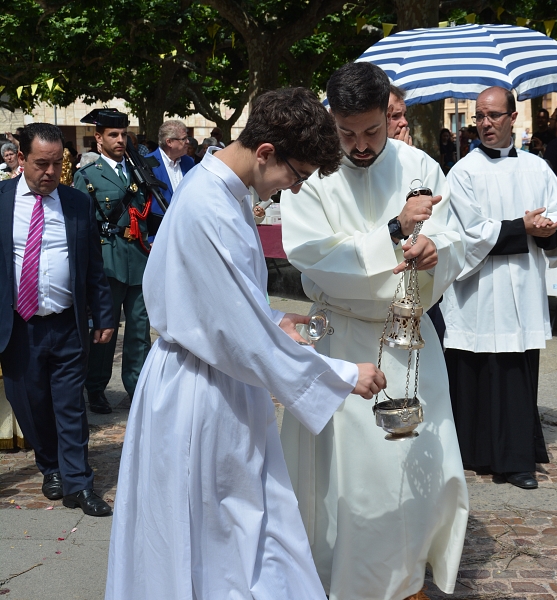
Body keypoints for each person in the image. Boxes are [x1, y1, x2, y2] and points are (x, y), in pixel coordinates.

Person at [104, 86, 386, 600]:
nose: (294, 189)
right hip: (200, 390)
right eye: (295, 175)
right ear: (265, 152)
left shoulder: (219, 191)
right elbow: (237, 334)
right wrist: (344, 375)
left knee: (246, 528)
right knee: (226, 537)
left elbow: (221, 305)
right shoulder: (210, 205)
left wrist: (277, 317)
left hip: (213, 374)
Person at [280, 62, 468, 600]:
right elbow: (312, 255)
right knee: (352, 483)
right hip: (339, 337)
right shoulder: (313, 173)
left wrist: (436, 252)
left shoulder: (420, 165)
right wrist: (393, 232)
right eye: (347, 133)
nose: (360, 146)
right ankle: (339, 580)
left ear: (388, 113)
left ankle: (408, 578)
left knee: (421, 467)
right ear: (330, 119)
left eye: (371, 131)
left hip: (408, 338)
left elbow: (455, 236)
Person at [441, 86, 557, 490]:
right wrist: (524, 227)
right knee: (479, 370)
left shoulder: (536, 168)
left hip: (521, 286)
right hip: (480, 291)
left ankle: (516, 460)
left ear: (512, 118)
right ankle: (477, 453)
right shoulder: (463, 172)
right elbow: (466, 234)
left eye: (494, 116)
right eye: (479, 117)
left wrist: (550, 228)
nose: (485, 124)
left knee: (515, 372)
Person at [0, 123, 114, 515]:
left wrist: (103, 314)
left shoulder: (76, 202)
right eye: (41, 164)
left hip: (67, 323)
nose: (49, 172)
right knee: (29, 403)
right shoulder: (0, 201)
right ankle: (50, 465)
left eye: (57, 164)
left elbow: (93, 266)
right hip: (18, 326)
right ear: (19, 158)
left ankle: (79, 484)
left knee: (70, 405)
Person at [73, 109, 151, 414]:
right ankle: (96, 388)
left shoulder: (140, 172)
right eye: (113, 135)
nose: (120, 140)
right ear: (99, 138)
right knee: (105, 330)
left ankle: (137, 387)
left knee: (139, 329)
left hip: (140, 259)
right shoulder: (87, 176)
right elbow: (81, 228)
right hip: (107, 262)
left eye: (123, 134)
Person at [146, 120, 195, 237]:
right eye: (184, 139)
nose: (188, 142)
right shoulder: (147, 164)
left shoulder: (189, 162)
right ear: (169, 142)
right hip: (158, 235)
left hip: (186, 232)